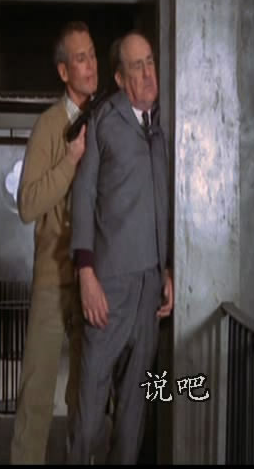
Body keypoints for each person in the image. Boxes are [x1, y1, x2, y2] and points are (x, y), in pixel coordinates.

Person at [68, 31, 174, 464]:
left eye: (150, 62)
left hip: (151, 288)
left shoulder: (166, 123)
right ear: (118, 77)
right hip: (107, 287)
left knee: (134, 413)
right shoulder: (103, 120)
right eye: (137, 66)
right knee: (89, 413)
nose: (148, 73)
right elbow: (83, 195)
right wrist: (86, 274)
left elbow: (168, 202)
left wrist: (168, 269)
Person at [10, 21, 96, 464]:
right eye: (80, 58)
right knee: (37, 396)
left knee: (88, 396)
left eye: (93, 55)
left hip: (95, 281)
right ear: (64, 72)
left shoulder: (106, 122)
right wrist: (71, 161)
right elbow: (28, 204)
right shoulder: (47, 126)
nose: (91, 65)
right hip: (51, 278)